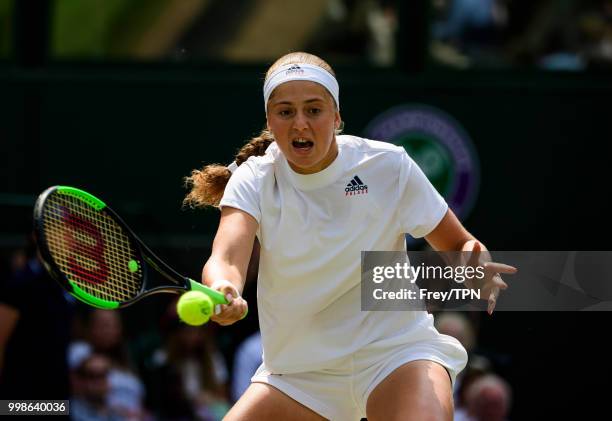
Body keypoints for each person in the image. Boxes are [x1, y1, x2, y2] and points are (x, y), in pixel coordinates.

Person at [183, 51, 516, 420]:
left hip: (395, 354)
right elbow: (227, 257)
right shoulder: (254, 179)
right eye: (285, 111)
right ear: (269, 120)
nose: (300, 124)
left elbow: (458, 243)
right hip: (298, 376)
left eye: (313, 110)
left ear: (337, 116)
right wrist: (224, 288)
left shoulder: (387, 166)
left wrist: (473, 263)